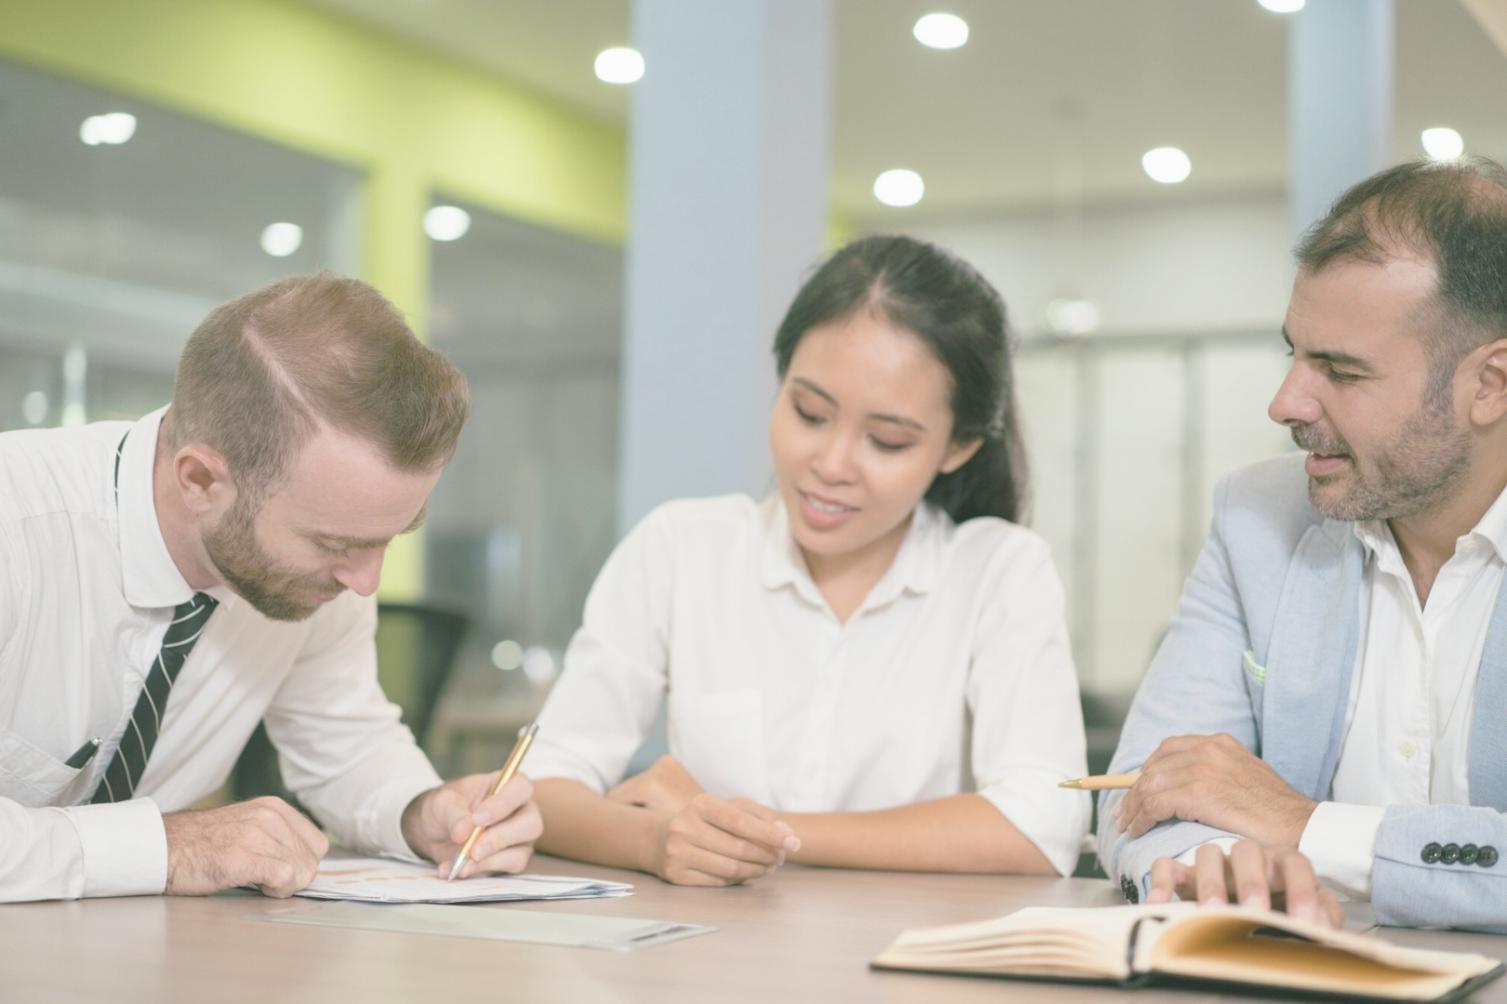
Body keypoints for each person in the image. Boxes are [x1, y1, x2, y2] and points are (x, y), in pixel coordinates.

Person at [527, 235, 1090, 886]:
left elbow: (1040, 824)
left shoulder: (998, 572)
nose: (830, 465)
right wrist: (656, 839)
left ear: (957, 446)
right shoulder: (681, 548)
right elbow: (541, 781)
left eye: (885, 440)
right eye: (810, 413)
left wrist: (758, 832)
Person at [0, 274, 542, 903]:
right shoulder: (18, 527)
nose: (366, 583)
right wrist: (169, 848)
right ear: (201, 480)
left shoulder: (319, 573)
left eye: (391, 537)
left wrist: (423, 812)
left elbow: (345, 743)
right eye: (335, 545)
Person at [1100, 157, 1507, 931]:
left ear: (1489, 383)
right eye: (1293, 352)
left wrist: (1303, 826)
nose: (1285, 401)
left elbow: (1270, 813)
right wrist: (1212, 869)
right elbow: (1134, 789)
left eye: (1341, 372)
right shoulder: (1257, 516)